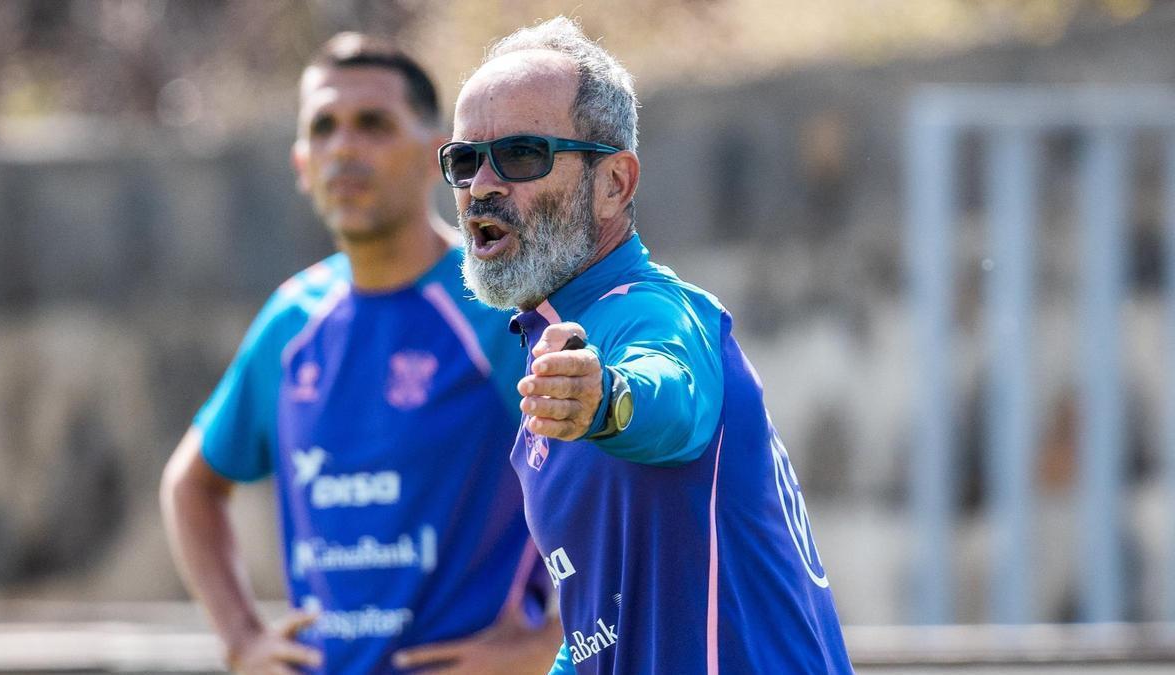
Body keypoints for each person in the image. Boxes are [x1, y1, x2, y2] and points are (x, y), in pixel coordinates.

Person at [441, 17, 854, 673]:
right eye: (464, 161)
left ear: (615, 184)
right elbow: (599, 631)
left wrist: (607, 398)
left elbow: (671, 393)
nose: (482, 186)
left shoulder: (655, 315)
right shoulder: (549, 350)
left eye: (522, 155)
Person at [160, 33, 560, 675]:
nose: (343, 147)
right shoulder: (292, 322)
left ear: (437, 155)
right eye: (323, 128)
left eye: (373, 124)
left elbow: (618, 478)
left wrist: (553, 639)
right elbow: (191, 486)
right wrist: (241, 639)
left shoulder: (502, 309)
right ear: (300, 163)